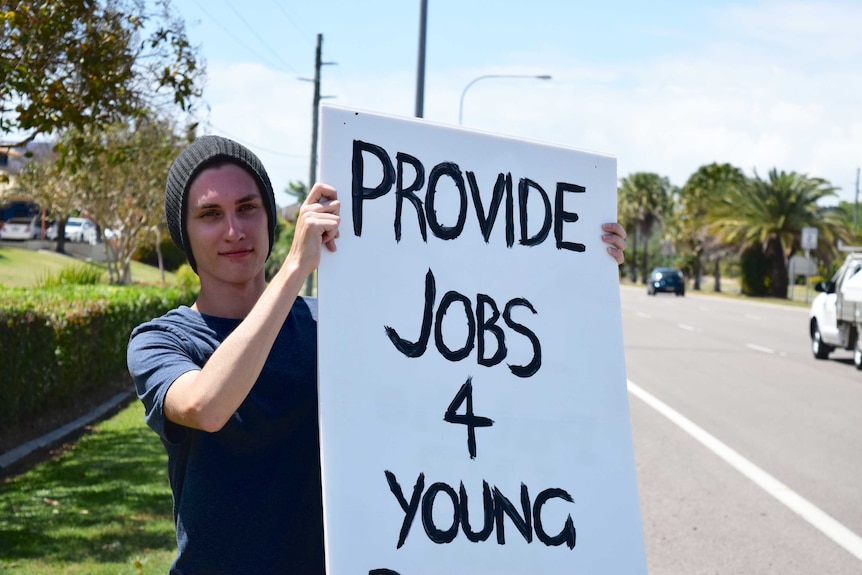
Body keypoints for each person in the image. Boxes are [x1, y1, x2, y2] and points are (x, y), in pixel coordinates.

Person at [127, 135, 627, 574]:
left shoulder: (335, 325)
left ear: (270, 217)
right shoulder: (162, 341)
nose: (234, 230)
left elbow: (471, 356)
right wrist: (296, 269)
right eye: (210, 214)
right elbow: (208, 407)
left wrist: (580, 267)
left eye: (249, 207)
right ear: (184, 234)